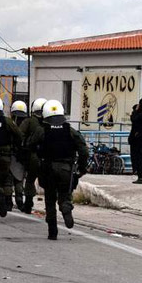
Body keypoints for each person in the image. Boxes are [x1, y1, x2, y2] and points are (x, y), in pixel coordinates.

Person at [34, 100, 88, 240]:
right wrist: (82, 168)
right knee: (64, 194)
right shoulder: (70, 131)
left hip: (48, 168)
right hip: (66, 168)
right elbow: (83, 149)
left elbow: (30, 146)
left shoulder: (42, 131)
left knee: (50, 199)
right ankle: (66, 207)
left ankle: (52, 231)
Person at [17, 98, 46, 213]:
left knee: (30, 180)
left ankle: (28, 203)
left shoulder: (29, 121)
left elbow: (20, 135)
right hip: (49, 157)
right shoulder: (51, 123)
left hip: (33, 156)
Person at [8, 100, 29, 210]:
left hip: (11, 154)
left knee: (9, 179)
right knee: (19, 179)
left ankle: (9, 201)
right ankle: (19, 199)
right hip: (22, 156)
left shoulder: (10, 124)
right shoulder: (28, 124)